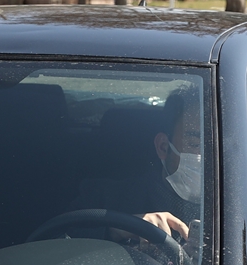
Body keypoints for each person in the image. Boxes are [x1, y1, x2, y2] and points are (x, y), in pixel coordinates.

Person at [75, 88, 202, 242]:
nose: (208, 156)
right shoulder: (104, 200)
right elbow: (48, 245)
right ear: (163, 146)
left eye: (225, 149)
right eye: (196, 144)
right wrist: (117, 230)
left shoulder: (235, 214)